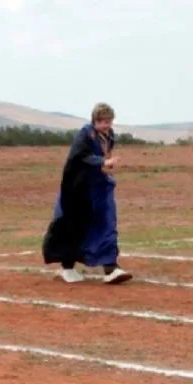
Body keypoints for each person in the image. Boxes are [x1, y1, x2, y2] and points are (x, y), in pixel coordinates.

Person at [42, 103, 132, 285]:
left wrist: (107, 166)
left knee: (107, 223)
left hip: (101, 186)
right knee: (74, 226)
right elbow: (79, 156)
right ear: (95, 120)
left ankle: (110, 267)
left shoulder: (109, 136)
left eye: (109, 121)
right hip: (79, 189)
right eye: (103, 121)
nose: (107, 125)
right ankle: (67, 266)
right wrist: (101, 161)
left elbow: (106, 156)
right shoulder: (86, 134)